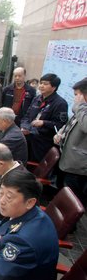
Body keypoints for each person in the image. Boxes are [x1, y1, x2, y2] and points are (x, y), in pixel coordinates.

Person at [54, 77, 87, 206]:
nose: (75, 98)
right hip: (67, 160)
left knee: (73, 201)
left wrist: (80, 106)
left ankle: (70, 225)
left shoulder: (81, 108)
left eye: (77, 94)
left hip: (78, 166)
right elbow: (71, 123)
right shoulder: (81, 109)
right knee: (62, 192)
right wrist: (60, 133)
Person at [21, 73, 68, 162]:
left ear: (54, 87)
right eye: (41, 83)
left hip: (43, 143)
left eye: (45, 84)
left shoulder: (60, 103)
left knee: (34, 167)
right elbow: (27, 116)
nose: (41, 86)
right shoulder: (37, 98)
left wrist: (44, 123)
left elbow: (60, 125)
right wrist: (24, 127)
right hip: (28, 138)